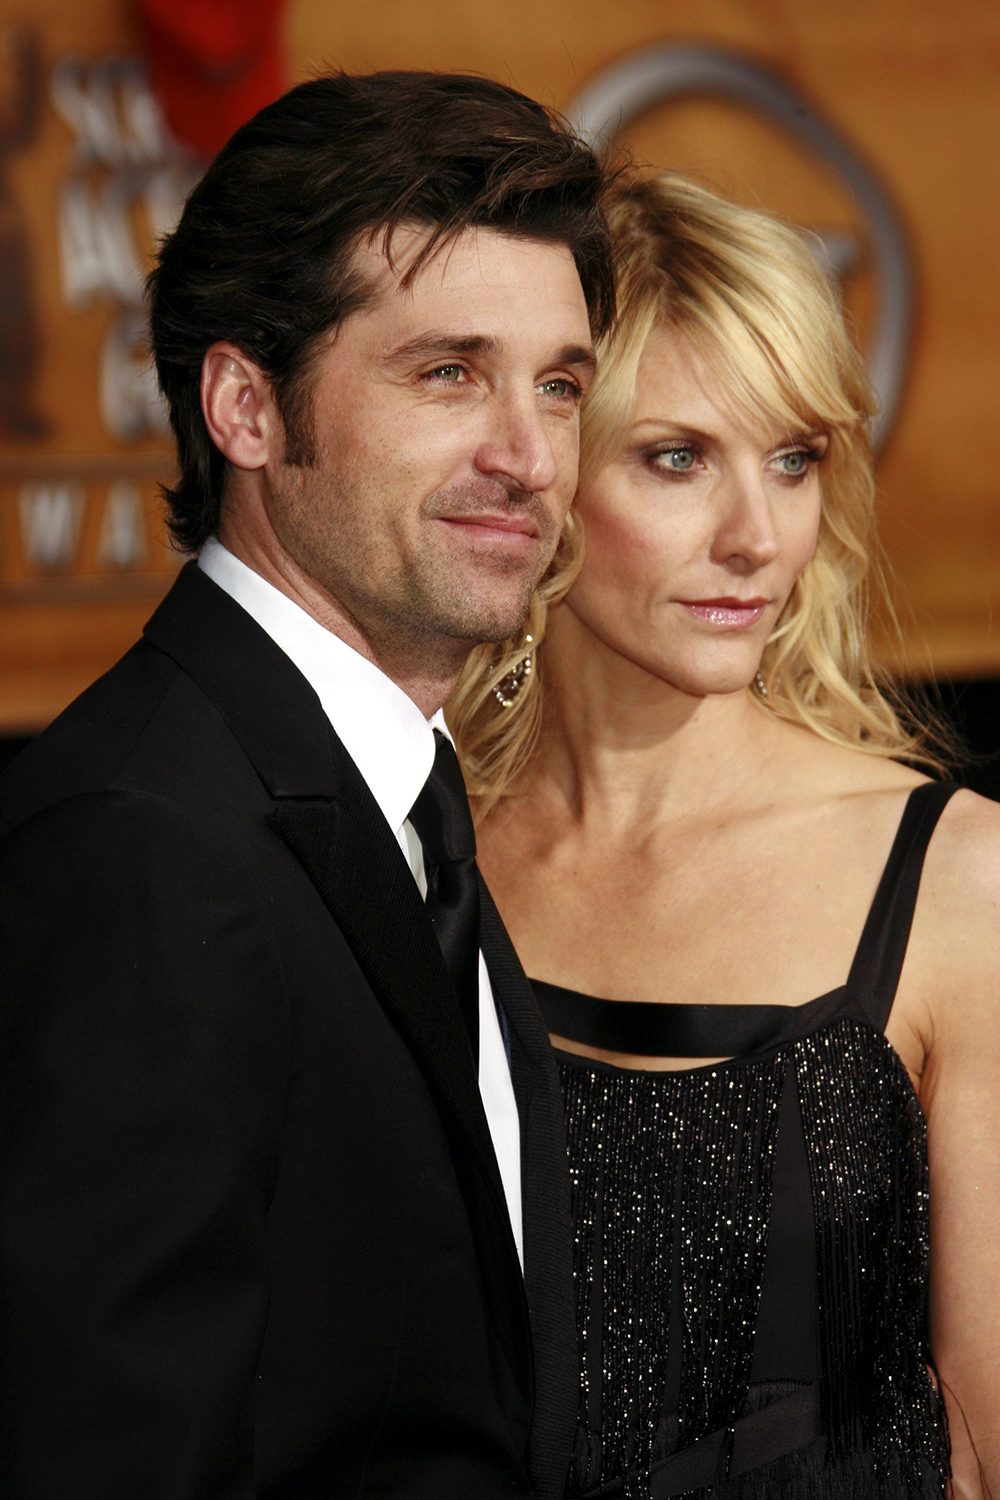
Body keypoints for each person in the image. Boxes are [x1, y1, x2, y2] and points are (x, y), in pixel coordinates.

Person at [0, 72, 615, 1499]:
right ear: (246, 408)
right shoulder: (138, 847)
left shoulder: (396, 791)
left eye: (562, 384)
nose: (529, 457)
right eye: (448, 371)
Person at [451, 173, 1000, 1498]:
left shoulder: (957, 881)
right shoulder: (416, 848)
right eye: (679, 457)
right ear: (548, 475)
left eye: (795, 460)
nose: (760, 538)